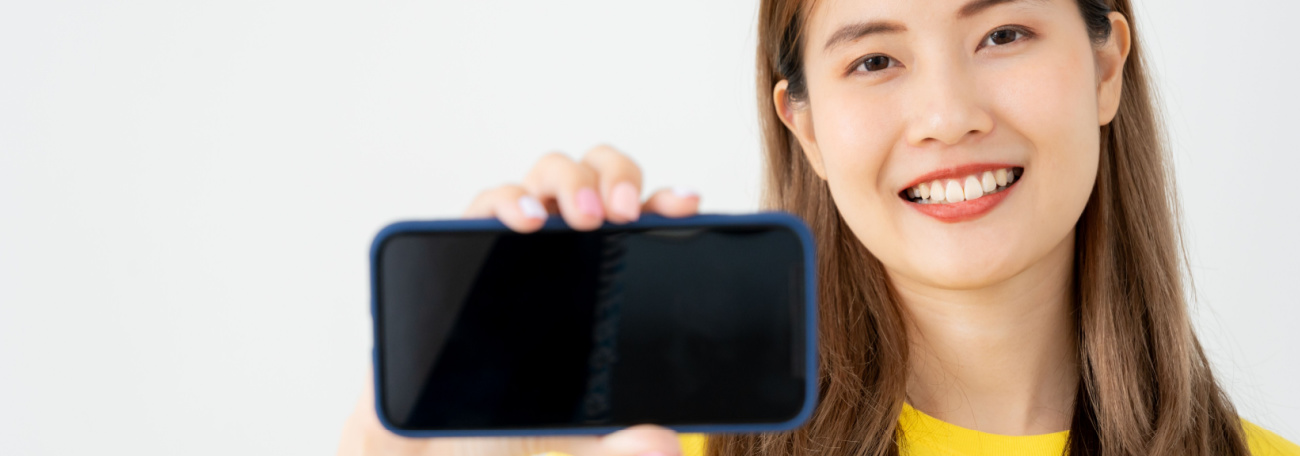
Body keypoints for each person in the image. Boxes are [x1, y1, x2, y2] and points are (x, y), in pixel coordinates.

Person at [338, 0, 1300, 454]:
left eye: (1002, 34)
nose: (947, 113)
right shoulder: (659, 450)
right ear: (803, 123)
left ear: (1104, 67)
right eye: (874, 61)